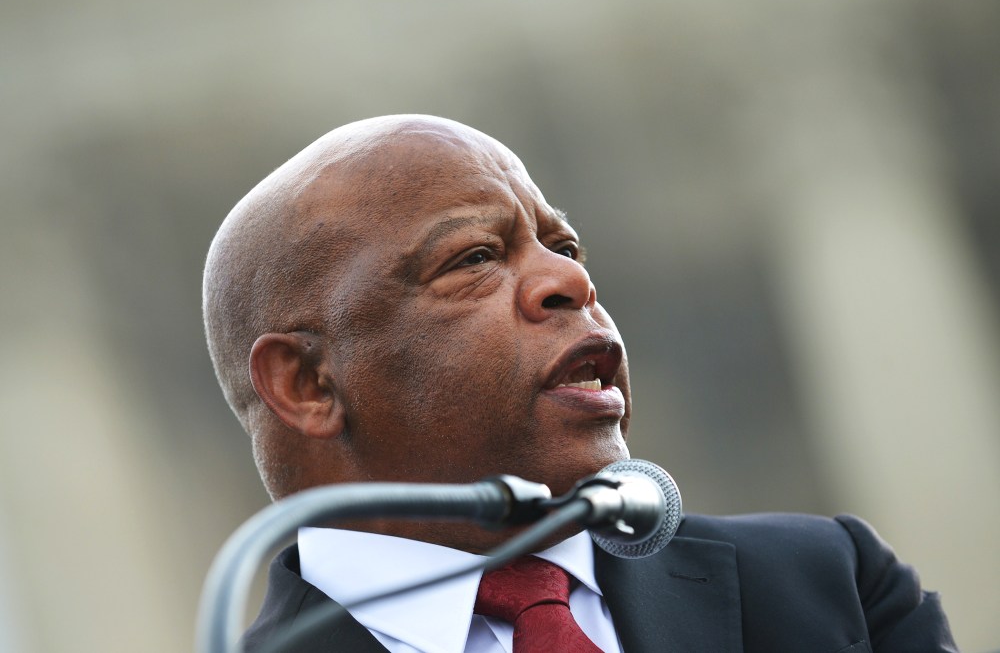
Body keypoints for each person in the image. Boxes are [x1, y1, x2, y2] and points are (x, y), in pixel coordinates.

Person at [202, 115, 957, 652]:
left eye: (562, 245)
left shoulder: (830, 585)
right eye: (472, 259)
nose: (569, 279)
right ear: (306, 384)